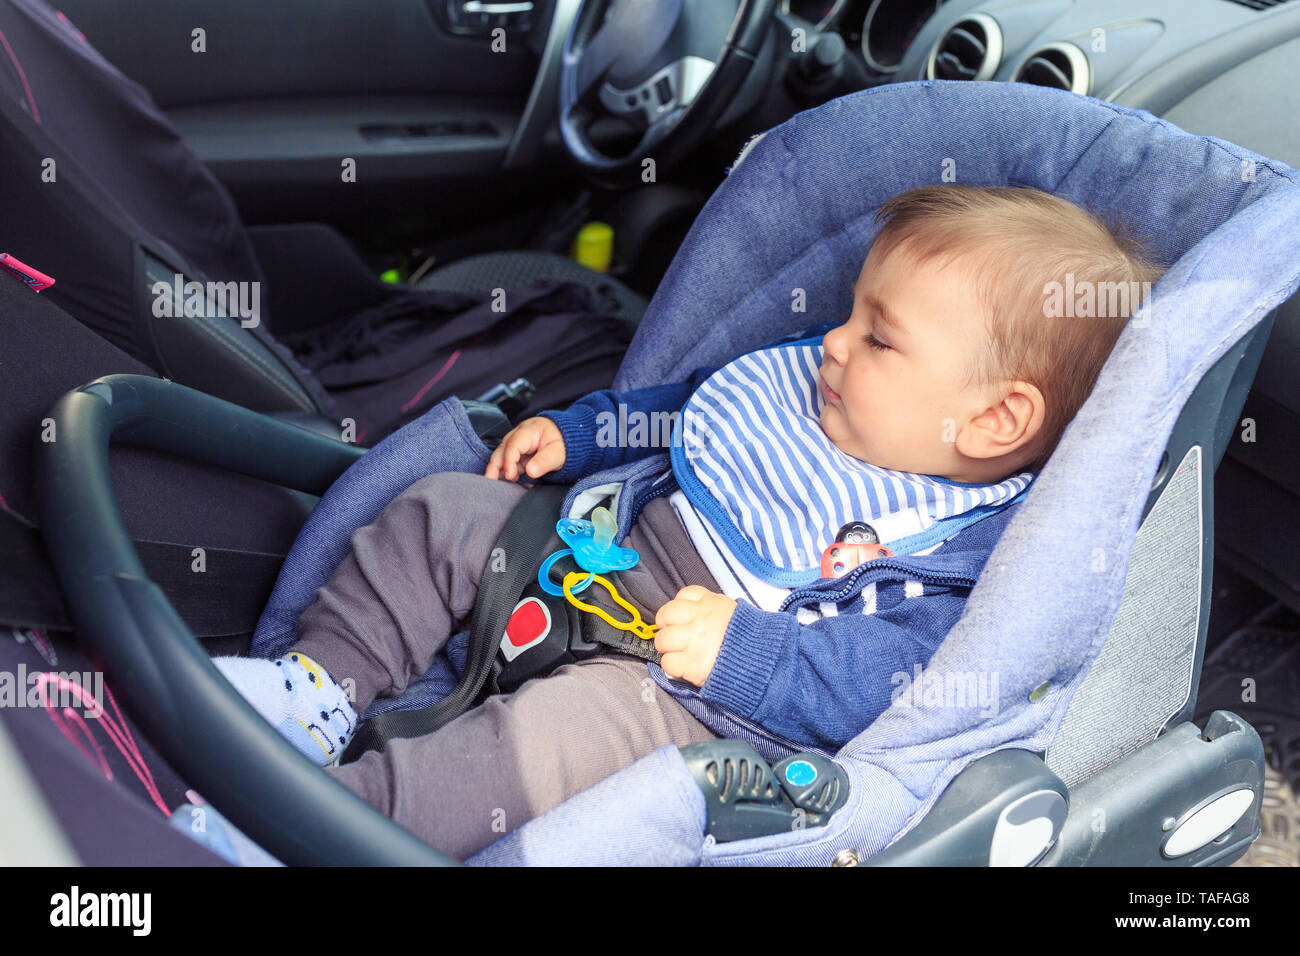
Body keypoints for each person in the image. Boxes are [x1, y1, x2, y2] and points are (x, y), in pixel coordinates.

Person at [213, 184, 1165, 860]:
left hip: (683, 689)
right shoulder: (818, 385)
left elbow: (886, 682)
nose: (833, 342)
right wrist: (578, 435)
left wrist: (747, 654)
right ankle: (317, 686)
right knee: (446, 512)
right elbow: (690, 406)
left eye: (879, 336)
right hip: (598, 547)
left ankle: (316, 825)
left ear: (996, 418)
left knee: (538, 750)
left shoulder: (955, 556)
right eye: (849, 313)